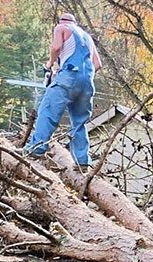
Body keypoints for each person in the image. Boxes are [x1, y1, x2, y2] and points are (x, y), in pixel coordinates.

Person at [26, 13, 102, 165]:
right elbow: (98, 64)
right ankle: (83, 161)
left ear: (62, 21)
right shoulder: (87, 37)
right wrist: (80, 76)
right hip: (87, 82)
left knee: (48, 111)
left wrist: (50, 65)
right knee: (79, 122)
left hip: (69, 77)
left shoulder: (61, 27)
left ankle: (37, 147)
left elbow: (56, 47)